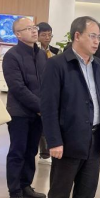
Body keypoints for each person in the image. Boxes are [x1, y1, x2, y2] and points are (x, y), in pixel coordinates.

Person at [41, 16, 100, 198]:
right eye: (92, 36)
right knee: (59, 195)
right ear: (77, 36)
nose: (97, 41)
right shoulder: (58, 65)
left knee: (86, 193)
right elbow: (48, 106)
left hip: (94, 138)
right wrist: (54, 141)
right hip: (68, 139)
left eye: (99, 36)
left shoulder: (99, 65)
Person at [3, 18, 47, 198]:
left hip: (38, 113)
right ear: (18, 34)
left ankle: (26, 186)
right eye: (28, 28)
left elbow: (47, 83)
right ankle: (14, 193)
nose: (34, 31)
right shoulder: (12, 56)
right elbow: (17, 87)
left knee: (31, 151)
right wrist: (40, 106)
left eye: (34, 27)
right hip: (19, 113)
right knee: (17, 152)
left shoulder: (41, 54)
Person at [37, 22, 60, 165]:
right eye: (44, 35)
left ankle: (45, 153)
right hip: (38, 90)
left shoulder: (56, 51)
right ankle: (42, 153)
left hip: (51, 89)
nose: (47, 37)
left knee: (48, 123)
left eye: (49, 35)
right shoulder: (34, 52)